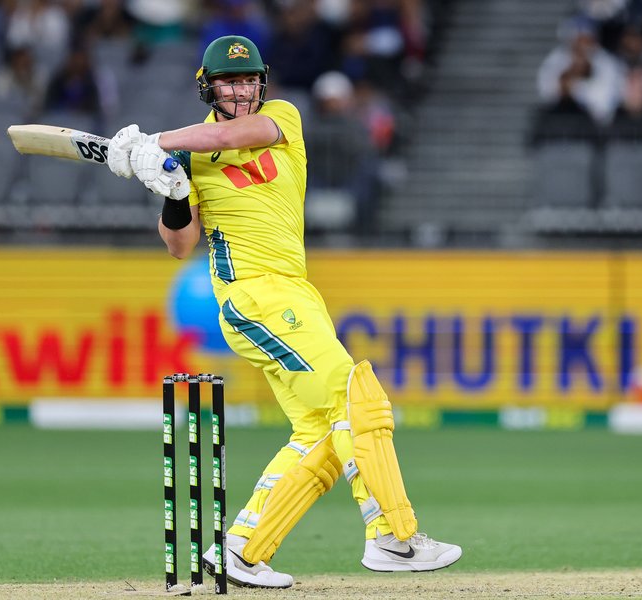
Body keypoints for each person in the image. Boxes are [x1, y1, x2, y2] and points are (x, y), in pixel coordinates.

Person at [106, 34, 462, 589]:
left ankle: (242, 550)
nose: (242, 91)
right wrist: (173, 190)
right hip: (253, 294)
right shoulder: (187, 158)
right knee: (356, 395)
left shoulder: (280, 117)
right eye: (229, 82)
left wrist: (154, 142)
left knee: (320, 432)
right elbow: (179, 245)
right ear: (208, 87)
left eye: (249, 80)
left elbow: (227, 135)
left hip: (295, 290)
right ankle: (394, 535)